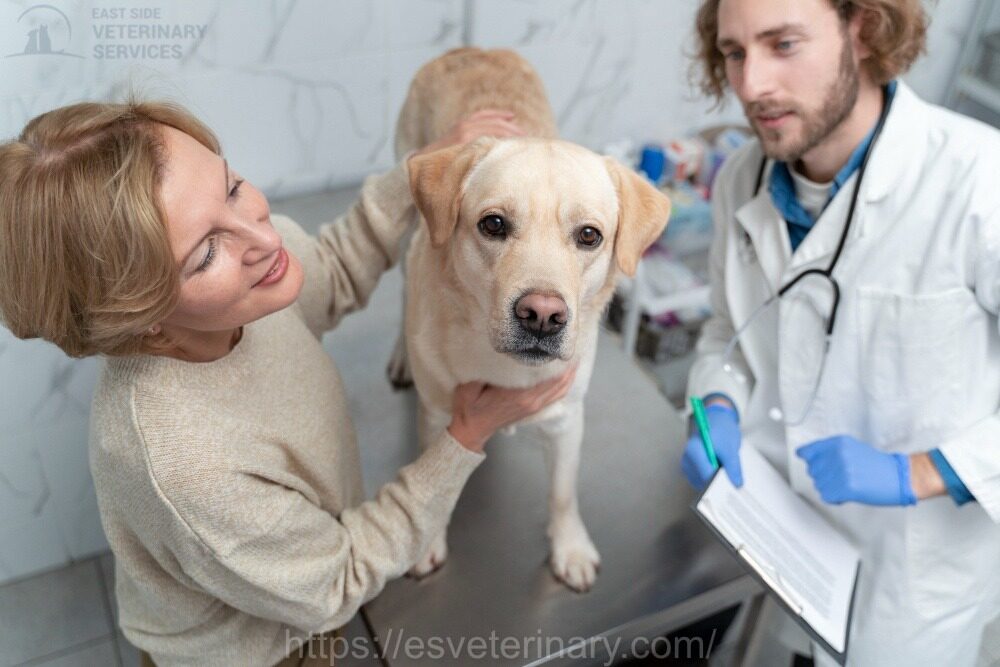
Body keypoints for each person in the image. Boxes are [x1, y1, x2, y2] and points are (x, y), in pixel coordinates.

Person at [0, 100, 575, 666]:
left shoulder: (246, 284)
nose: (265, 237)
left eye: (231, 187)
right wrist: (465, 437)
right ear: (140, 315)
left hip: (298, 577)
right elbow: (336, 583)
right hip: (270, 649)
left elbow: (331, 269)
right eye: (205, 253)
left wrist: (423, 172)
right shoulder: (186, 468)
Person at [682, 0, 1000, 664]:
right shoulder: (742, 179)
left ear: (864, 29)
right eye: (735, 53)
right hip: (777, 542)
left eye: (783, 44)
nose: (751, 85)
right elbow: (727, 331)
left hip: (909, 586)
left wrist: (924, 470)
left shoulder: (978, 180)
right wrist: (718, 401)